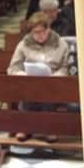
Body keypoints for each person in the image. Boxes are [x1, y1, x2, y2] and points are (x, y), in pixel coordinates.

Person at [8, 12, 69, 142]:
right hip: (29, 83)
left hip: (53, 83)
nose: (39, 35)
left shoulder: (61, 44)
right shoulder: (24, 44)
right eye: (35, 32)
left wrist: (56, 76)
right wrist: (23, 74)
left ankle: (48, 129)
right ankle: (25, 128)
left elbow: (65, 67)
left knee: (46, 94)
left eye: (42, 31)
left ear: (49, 29)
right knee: (28, 92)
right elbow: (13, 68)